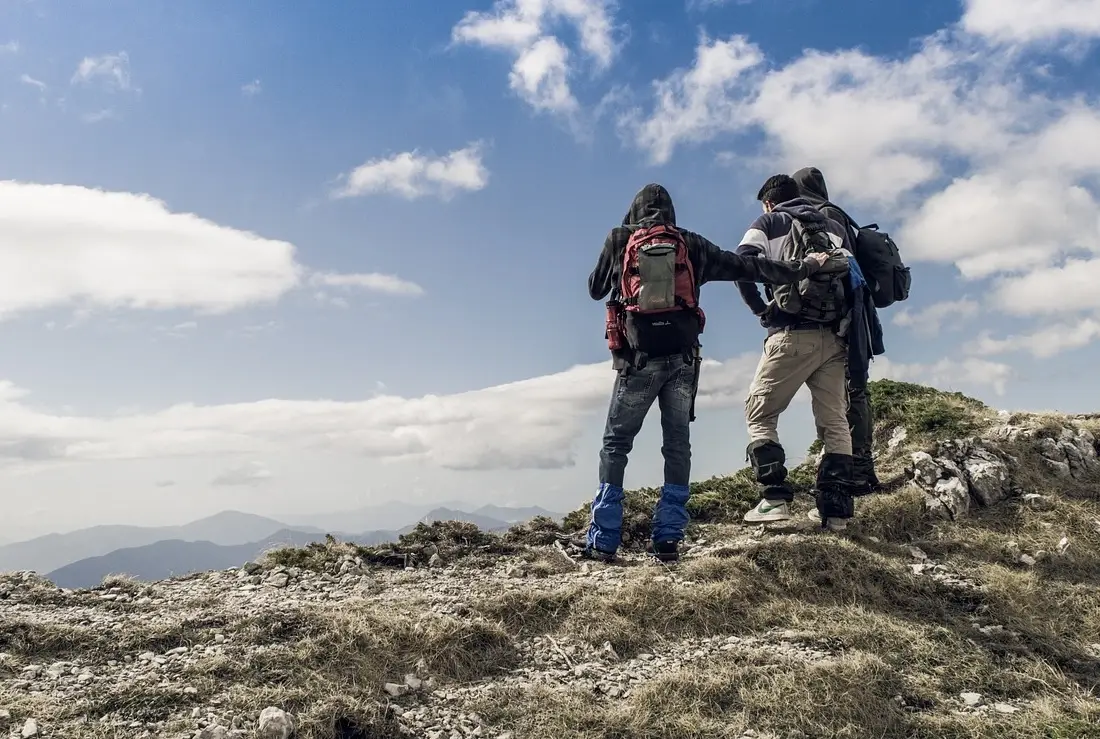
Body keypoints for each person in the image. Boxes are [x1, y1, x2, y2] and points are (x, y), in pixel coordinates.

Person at [581, 183, 829, 563]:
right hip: (682, 361)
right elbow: (748, 266)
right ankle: (668, 539)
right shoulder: (690, 243)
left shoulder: (621, 239)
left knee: (616, 443)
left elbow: (596, 289)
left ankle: (603, 540)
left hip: (637, 361)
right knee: (677, 444)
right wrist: (804, 267)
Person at [734, 174, 878, 531]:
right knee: (835, 421)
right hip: (836, 339)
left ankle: (774, 499)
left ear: (769, 202)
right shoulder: (833, 227)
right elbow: (853, 280)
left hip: (791, 335)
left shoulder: (770, 221)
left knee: (760, 413)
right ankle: (836, 511)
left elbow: (742, 264)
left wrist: (761, 310)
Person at [792, 167, 886, 494]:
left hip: (844, 318)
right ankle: (860, 469)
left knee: (849, 390)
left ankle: (856, 471)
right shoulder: (839, 215)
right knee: (853, 389)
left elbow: (835, 271)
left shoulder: (822, 217)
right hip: (857, 314)